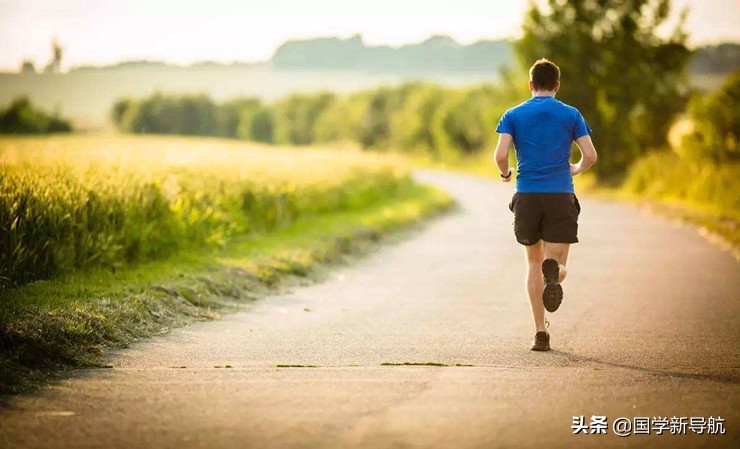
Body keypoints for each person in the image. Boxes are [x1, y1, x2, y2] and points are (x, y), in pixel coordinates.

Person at [494, 58, 598, 352]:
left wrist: (505, 175)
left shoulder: (513, 114)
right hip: (559, 195)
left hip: (527, 195)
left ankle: (540, 333)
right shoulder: (570, 114)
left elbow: (501, 155)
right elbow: (589, 155)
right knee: (558, 264)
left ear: (530, 85)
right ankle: (556, 275)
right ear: (557, 85)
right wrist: (575, 169)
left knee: (532, 262)